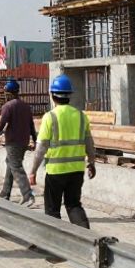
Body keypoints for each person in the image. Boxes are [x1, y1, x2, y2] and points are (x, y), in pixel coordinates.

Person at [27, 74, 96, 228]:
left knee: (52, 210)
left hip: (55, 172)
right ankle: (87, 240)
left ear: (52, 95)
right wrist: (91, 163)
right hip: (77, 171)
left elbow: (41, 148)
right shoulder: (81, 116)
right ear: (70, 95)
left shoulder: (50, 117)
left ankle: (56, 244)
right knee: (73, 205)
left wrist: (32, 171)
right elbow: (89, 143)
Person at [0, 79, 36, 206]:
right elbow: (31, 125)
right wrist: (35, 140)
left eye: (6, 93)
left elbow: (1, 125)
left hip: (13, 142)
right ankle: (5, 193)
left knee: (16, 167)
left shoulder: (8, 107)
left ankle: (27, 194)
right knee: (10, 163)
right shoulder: (26, 106)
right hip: (24, 141)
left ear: (9, 93)